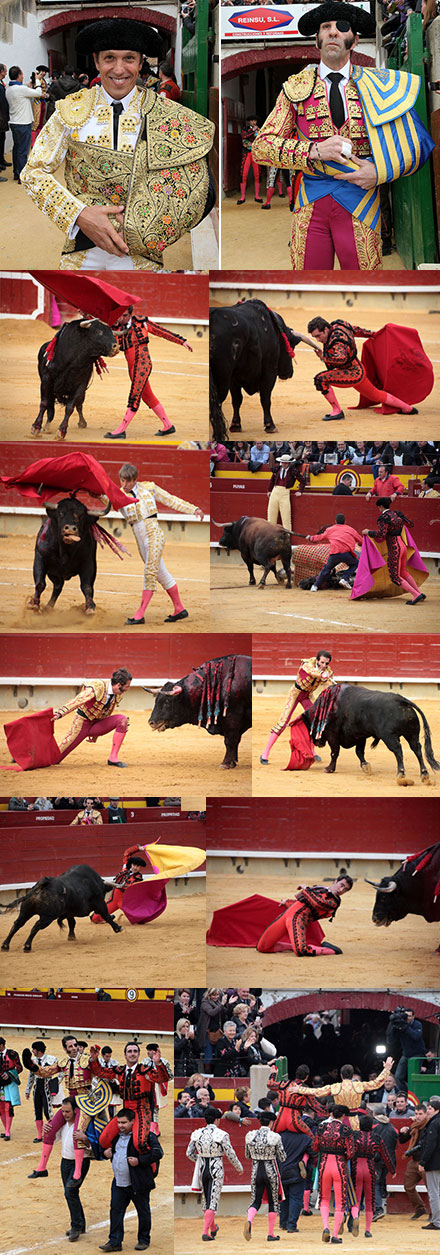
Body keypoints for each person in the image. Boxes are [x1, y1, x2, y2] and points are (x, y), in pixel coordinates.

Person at [252, 1, 434, 270]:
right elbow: (261, 146)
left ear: (354, 40)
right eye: (325, 27)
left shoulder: (378, 84)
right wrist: (314, 151)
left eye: (342, 27)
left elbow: (419, 145)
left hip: (362, 201)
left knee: (364, 288)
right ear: (317, 40)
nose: (333, 32)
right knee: (310, 286)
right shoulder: (295, 88)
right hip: (310, 203)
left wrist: (380, 171)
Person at [21, 17, 214, 270]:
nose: (119, 69)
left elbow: (194, 186)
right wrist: (80, 215)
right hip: (83, 246)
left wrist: (155, 230)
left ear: (141, 62)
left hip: (141, 254)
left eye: (129, 58)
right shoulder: (71, 110)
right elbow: (33, 172)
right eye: (110, 58)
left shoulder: (165, 114)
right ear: (96, 61)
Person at [117, 461, 204, 624]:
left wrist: (193, 509)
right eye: (122, 480)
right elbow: (105, 502)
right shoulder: (119, 494)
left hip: (154, 533)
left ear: (135, 479)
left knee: (150, 572)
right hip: (139, 537)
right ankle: (179, 608)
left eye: (127, 481)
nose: (124, 484)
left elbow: (170, 500)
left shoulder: (149, 488)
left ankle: (140, 614)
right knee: (161, 574)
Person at [105, 306, 193, 439]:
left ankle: (121, 429)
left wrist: (182, 341)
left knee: (135, 396)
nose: (122, 319)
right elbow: (111, 347)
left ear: (130, 314)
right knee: (147, 396)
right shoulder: (116, 328)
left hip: (143, 364)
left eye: (124, 316)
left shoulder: (142, 322)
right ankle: (168, 425)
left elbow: (161, 332)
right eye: (120, 316)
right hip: (131, 367)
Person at [308, 317, 417, 420]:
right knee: (377, 395)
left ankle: (337, 411)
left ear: (326, 329)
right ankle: (407, 408)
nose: (318, 340)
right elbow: (355, 330)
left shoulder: (337, 341)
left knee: (320, 379)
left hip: (352, 373)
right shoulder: (339, 325)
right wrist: (372, 334)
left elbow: (341, 359)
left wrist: (324, 357)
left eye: (318, 336)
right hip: (357, 370)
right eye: (315, 337)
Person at [98, 1106, 163, 1253]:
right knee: (115, 1211)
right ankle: (115, 1242)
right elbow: (104, 1150)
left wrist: (140, 1160)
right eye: (119, 1123)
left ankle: (143, 1240)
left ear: (133, 1122)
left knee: (143, 1211)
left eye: (124, 1123)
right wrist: (105, 1153)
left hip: (138, 1181)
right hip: (119, 1181)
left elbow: (158, 1153)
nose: (121, 1126)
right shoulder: (115, 1136)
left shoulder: (145, 1135)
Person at [89, 1041, 169, 1152]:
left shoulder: (146, 1071)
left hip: (142, 1112)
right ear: (125, 1055)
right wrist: (94, 1059)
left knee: (140, 1144)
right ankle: (121, 1154)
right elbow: (100, 1072)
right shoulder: (120, 1071)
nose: (132, 1054)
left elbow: (163, 1078)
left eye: (135, 1051)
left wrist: (158, 1063)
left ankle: (152, 1162)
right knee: (104, 1140)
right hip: (126, 1111)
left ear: (139, 1054)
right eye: (130, 1051)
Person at [260, 649, 334, 763]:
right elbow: (311, 672)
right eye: (322, 662)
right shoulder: (307, 664)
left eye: (326, 663)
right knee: (283, 722)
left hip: (308, 696)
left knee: (316, 720)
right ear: (317, 660)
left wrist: (328, 681)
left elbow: (328, 688)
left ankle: (312, 751)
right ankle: (265, 753)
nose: (324, 665)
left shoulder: (327, 671)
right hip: (295, 694)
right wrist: (322, 675)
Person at [256, 875, 353, 956]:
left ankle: (330, 950)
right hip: (287, 914)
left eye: (345, 889)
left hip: (298, 918)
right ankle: (292, 945)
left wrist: (306, 889)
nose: (341, 890)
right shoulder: (320, 888)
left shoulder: (334, 902)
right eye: (341, 885)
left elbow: (317, 902)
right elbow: (303, 901)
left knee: (301, 951)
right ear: (335, 881)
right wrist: (287, 902)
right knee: (262, 947)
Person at [53, 668, 132, 766]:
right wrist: (61, 712)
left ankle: (113, 758)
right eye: (127, 686)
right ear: (119, 685)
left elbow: (106, 712)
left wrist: (97, 733)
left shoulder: (118, 693)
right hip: (82, 725)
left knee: (122, 720)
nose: (128, 689)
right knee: (55, 758)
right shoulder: (98, 687)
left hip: (96, 724)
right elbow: (78, 700)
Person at [186, 1105, 243, 1241]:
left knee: (207, 1200)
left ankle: (212, 1228)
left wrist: (199, 1160)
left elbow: (189, 1153)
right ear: (217, 1120)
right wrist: (239, 1167)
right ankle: (205, 1232)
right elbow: (230, 1154)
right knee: (213, 1201)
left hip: (202, 1168)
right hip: (216, 1168)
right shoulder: (221, 1134)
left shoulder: (196, 1133)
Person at [295, 1057, 394, 1128]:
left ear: (341, 1075)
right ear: (352, 1075)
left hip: (339, 1121)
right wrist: (387, 1069)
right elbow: (377, 1083)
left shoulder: (336, 1087)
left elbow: (317, 1091)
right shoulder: (359, 1085)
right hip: (355, 1122)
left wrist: (299, 1089)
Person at [362, 498, 426, 605]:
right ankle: (418, 592)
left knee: (395, 577)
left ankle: (416, 594)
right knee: (403, 572)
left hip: (394, 547)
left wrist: (369, 532)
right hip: (403, 545)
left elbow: (381, 534)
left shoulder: (383, 518)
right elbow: (410, 524)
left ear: (381, 506)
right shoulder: (397, 514)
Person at [312, 1104, 354, 1243]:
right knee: (340, 1201)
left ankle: (325, 1227)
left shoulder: (321, 1127)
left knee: (324, 1199)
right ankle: (335, 1235)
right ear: (343, 1116)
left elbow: (315, 1147)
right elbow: (351, 1152)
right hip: (339, 1165)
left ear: (331, 1115)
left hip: (324, 1165)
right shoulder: (346, 1130)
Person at [244, 1110, 286, 1242]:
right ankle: (270, 1233)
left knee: (255, 1201)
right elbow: (283, 1157)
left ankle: (249, 1221)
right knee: (273, 1202)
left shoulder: (250, 1135)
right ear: (271, 1122)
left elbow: (247, 1155)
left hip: (256, 1171)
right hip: (270, 1171)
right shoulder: (275, 1137)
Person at [350, 1113, 394, 1237]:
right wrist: (393, 1170)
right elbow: (386, 1156)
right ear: (371, 1126)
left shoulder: (355, 1136)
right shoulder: (376, 1138)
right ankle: (367, 1230)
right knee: (370, 1200)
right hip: (370, 1168)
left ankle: (354, 1217)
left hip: (357, 1168)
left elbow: (348, 1152)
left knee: (356, 1199)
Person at [56, 1097, 91, 1242]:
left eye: (68, 1111)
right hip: (65, 1162)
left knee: (70, 1191)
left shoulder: (84, 1125)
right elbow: (53, 1139)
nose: (65, 1114)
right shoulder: (63, 1125)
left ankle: (76, 1226)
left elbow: (94, 1146)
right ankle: (80, 1224)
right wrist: (48, 1129)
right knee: (71, 1193)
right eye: (63, 1111)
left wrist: (85, 1138)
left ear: (75, 1110)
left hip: (81, 1162)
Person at [6, 65, 44, 181]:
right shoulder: (20, 89)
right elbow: (38, 93)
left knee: (17, 148)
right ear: (18, 76)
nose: (22, 76)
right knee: (23, 150)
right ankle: (22, 176)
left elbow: (25, 92)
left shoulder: (9, 88)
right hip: (23, 123)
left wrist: (29, 86)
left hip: (14, 122)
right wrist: (37, 80)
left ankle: (16, 173)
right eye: (21, 74)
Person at [307, 513, 362, 591]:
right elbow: (360, 540)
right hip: (346, 554)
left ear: (335, 521)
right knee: (355, 563)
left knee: (326, 569)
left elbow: (320, 537)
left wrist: (310, 538)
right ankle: (344, 578)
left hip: (334, 554)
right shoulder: (350, 529)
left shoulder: (330, 529)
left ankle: (315, 586)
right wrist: (362, 544)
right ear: (345, 521)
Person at [397, 1104, 431, 1220]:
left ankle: (434, 1213)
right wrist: (401, 1132)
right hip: (414, 1160)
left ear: (426, 1114)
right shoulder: (414, 1126)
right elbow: (402, 1141)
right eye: (416, 1114)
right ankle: (420, 1209)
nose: (418, 1117)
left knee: (432, 1188)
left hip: (427, 1162)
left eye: (420, 1114)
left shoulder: (430, 1126)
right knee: (408, 1186)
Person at [25, 1040, 63, 1141]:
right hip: (37, 1087)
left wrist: (56, 1082)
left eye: (33, 1049)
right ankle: (39, 1135)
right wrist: (28, 1090)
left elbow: (62, 1072)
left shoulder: (52, 1059)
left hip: (47, 1087)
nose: (32, 1051)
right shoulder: (33, 1061)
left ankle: (53, 1131)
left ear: (38, 1051)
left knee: (47, 1111)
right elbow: (31, 1076)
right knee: (37, 1111)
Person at [279, 1120, 311, 1233]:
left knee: (284, 1198)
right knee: (296, 1198)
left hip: (281, 1171)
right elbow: (313, 1152)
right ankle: (291, 1225)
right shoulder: (305, 1138)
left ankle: (283, 1223)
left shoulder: (279, 1136)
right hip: (296, 1171)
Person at [417, 1097, 440, 1230]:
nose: (428, 1111)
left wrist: (423, 1162)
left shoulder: (434, 1123)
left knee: (434, 1192)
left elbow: (430, 1145)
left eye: (430, 1109)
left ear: (436, 1110)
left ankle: (437, 1221)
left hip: (435, 1162)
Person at [267, 453, 305, 530]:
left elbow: (302, 481)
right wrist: (269, 490)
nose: (284, 464)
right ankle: (270, 536)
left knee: (286, 518)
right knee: (271, 516)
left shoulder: (293, 471)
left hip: (285, 492)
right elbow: (272, 480)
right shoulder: (277, 469)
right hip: (275, 491)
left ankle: (287, 538)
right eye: (283, 462)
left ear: (289, 463)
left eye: (285, 462)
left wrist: (300, 491)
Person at [0, 1037, 22, 1139]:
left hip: (10, 1083)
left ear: (1, 1045)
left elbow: (19, 1067)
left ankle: (7, 1131)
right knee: (1, 1107)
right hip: (0, 1083)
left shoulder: (12, 1054)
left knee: (8, 1106)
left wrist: (9, 1074)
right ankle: (5, 1129)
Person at [237, 117, 262, 205]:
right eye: (252, 120)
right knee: (244, 174)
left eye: (255, 120)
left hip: (255, 153)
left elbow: (261, 139)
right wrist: (253, 131)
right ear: (249, 122)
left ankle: (257, 196)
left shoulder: (259, 130)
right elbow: (244, 136)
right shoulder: (245, 129)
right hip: (247, 153)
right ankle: (242, 196)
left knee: (257, 174)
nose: (253, 122)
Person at [0, 64, 10, 174]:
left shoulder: (2, 84)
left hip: (2, 117)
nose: (6, 73)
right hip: (1, 116)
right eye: (5, 71)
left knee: (2, 139)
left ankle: (1, 160)